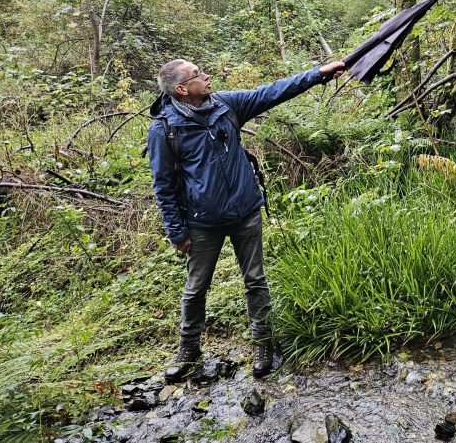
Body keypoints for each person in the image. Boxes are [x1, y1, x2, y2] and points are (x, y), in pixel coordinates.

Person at [148, 58, 345, 381]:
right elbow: (163, 185)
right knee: (196, 288)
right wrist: (176, 231)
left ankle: (263, 342)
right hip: (202, 223)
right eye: (198, 74)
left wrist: (318, 75)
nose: (207, 75)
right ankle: (189, 348)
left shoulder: (225, 106)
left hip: (245, 211)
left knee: (255, 280)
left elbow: (273, 92)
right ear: (182, 89)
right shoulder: (164, 129)